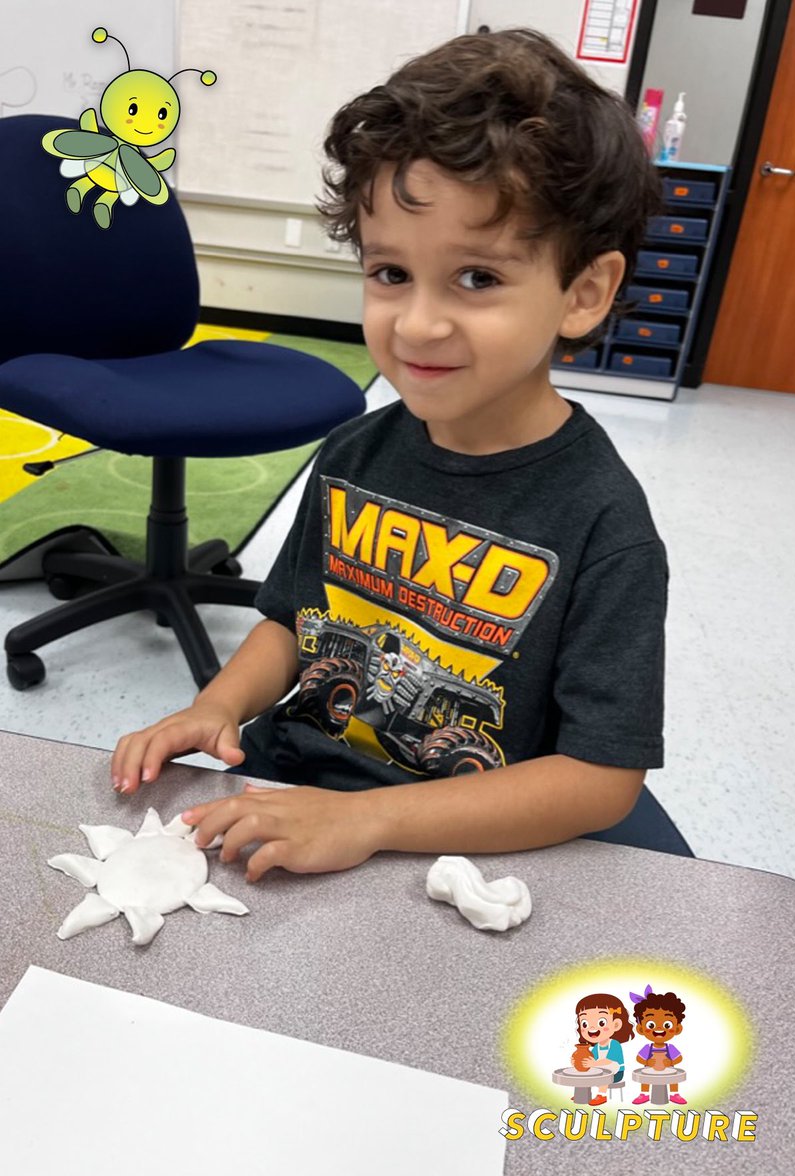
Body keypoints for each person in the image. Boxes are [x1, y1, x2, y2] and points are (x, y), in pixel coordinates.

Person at [111, 28, 667, 883]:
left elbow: (601, 780)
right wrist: (215, 706)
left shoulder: (605, 523)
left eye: (477, 278)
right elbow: (290, 624)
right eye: (390, 274)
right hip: (294, 787)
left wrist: (368, 820)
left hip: (454, 845)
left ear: (584, 293)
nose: (417, 325)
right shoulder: (356, 450)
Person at [572, 993, 635, 1107]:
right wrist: (577, 1061)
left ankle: (602, 1095)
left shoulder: (614, 1045)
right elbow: (591, 1060)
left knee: (603, 1075)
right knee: (587, 1072)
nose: (592, 1028)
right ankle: (582, 1092)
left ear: (616, 1025)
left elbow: (609, 1061)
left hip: (616, 1073)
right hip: (600, 1070)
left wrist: (594, 1063)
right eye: (585, 1024)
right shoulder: (596, 1047)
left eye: (601, 1022)